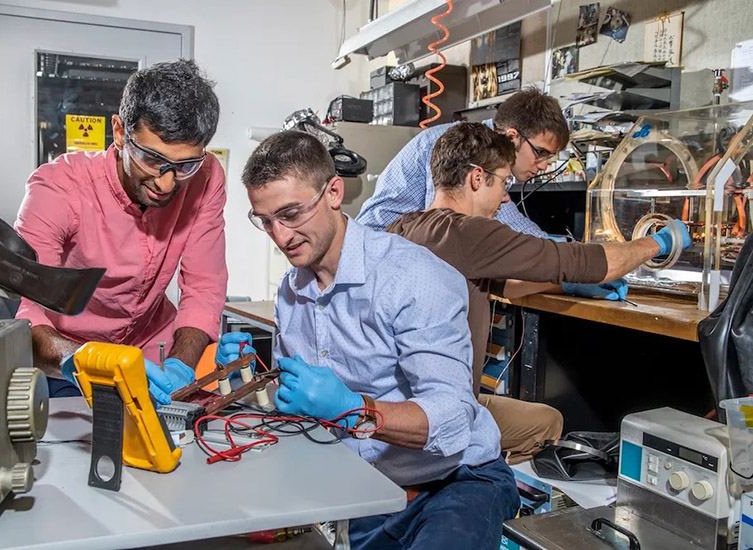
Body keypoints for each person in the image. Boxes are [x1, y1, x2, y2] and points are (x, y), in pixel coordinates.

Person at [225, 130, 518, 550]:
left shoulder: (413, 276)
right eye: (265, 221)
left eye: (291, 214)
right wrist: (251, 387)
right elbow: (305, 406)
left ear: (334, 192)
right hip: (366, 487)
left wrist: (354, 411)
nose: (280, 236)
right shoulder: (292, 292)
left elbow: (453, 420)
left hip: (454, 482)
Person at [387, 123, 692, 459]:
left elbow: (508, 285)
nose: (506, 196)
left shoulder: (405, 226)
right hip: (443, 414)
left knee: (543, 418)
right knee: (546, 424)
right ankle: (469, 471)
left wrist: (568, 284)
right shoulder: (468, 232)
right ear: (476, 178)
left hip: (402, 405)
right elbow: (584, 260)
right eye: (503, 183)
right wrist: (659, 242)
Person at [14, 59, 226, 404]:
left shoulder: (206, 177)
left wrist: (179, 368)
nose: (166, 183)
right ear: (119, 132)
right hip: (67, 359)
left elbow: (204, 285)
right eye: (152, 158)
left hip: (153, 354)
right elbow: (27, 313)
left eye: (184, 165)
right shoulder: (56, 190)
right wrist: (89, 362)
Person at [356, 87, 568, 237]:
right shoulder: (464, 146)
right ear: (513, 137)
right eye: (540, 152)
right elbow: (448, 231)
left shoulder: (491, 155)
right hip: (380, 256)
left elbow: (509, 220)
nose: (544, 165)